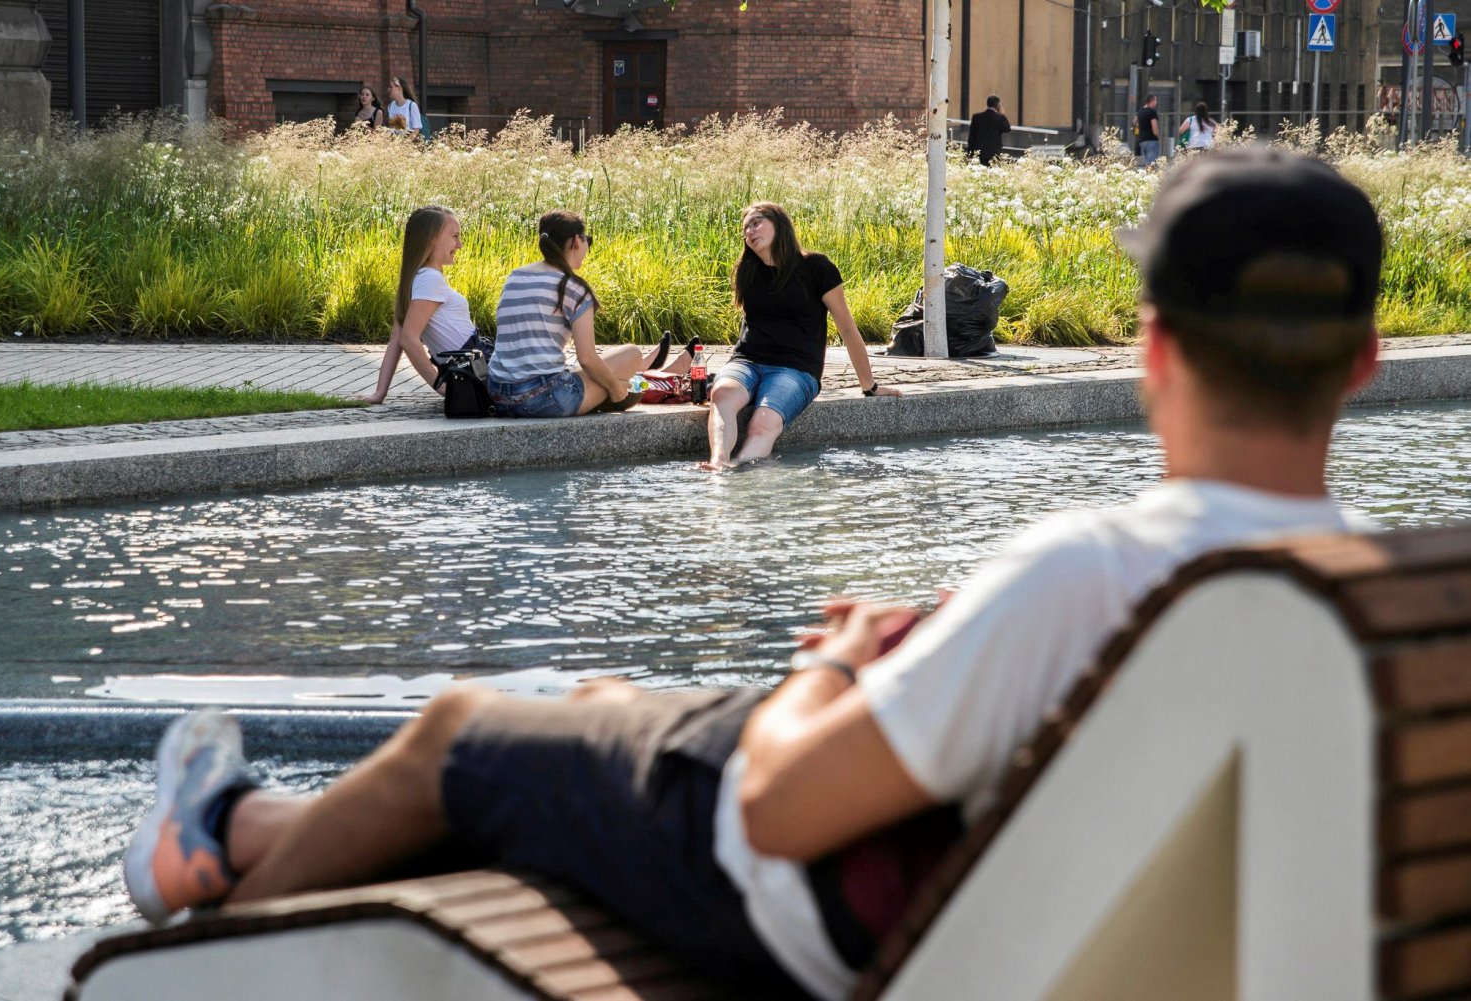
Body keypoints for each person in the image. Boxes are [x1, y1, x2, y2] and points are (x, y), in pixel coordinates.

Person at [124, 147, 1382, 1001]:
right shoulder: (1377, 595)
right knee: (587, 702)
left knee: (467, 727)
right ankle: (247, 828)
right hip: (1030, 909)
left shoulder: (1099, 573)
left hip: (795, 897)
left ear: (1155, 351)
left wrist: (840, 657)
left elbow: (779, 812)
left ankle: (208, 867)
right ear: (1367, 360)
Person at [702, 202, 900, 471]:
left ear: (779, 224)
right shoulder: (747, 272)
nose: (749, 231)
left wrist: (870, 386)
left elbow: (847, 328)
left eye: (757, 222)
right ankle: (718, 463)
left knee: (762, 423)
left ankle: (741, 472)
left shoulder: (817, 268)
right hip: (747, 362)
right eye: (746, 228)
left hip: (795, 369)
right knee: (722, 393)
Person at [486, 209, 691, 418]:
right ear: (576, 241)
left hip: (498, 395)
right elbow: (587, 358)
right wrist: (615, 389)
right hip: (544, 399)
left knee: (610, 377)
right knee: (631, 358)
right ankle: (633, 380)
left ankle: (635, 376)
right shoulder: (571, 287)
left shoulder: (515, 277)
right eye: (587, 240)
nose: (587, 247)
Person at [360, 205, 484, 404]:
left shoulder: (417, 279)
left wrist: (380, 392)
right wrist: (441, 387)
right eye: (454, 236)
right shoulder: (429, 280)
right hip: (472, 365)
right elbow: (407, 338)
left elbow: (397, 337)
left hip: (472, 364)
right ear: (431, 239)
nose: (459, 244)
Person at [968, 95, 1011, 166]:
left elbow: (971, 135)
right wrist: (1002, 115)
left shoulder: (977, 117)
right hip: (994, 151)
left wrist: (970, 151)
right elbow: (1007, 129)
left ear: (987, 104)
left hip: (979, 150)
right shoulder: (999, 118)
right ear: (998, 106)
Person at [1134, 94, 1161, 166]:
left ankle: (1147, 175)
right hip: (1151, 140)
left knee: (1146, 160)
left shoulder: (1140, 112)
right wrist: (1158, 137)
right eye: (1155, 101)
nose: (1156, 103)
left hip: (1142, 140)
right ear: (1151, 101)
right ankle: (1150, 175)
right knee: (1151, 162)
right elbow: (1154, 127)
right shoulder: (1152, 112)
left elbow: (1134, 122)